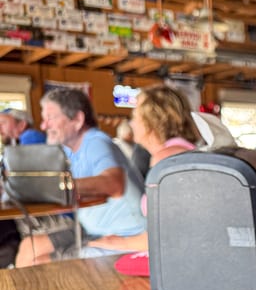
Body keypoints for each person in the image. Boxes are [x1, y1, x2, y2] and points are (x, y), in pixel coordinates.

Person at [15, 88, 147, 266]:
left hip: (125, 236)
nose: (44, 126)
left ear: (77, 119)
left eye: (50, 118)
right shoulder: (70, 149)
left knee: (36, 263)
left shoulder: (95, 141)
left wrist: (53, 186)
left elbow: (114, 183)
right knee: (29, 246)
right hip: (91, 229)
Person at [88, 85, 200, 254]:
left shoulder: (166, 160)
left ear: (151, 122)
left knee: (92, 253)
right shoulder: (178, 152)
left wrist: (122, 243)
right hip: (181, 251)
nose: (131, 123)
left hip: (179, 255)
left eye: (134, 116)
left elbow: (168, 235)